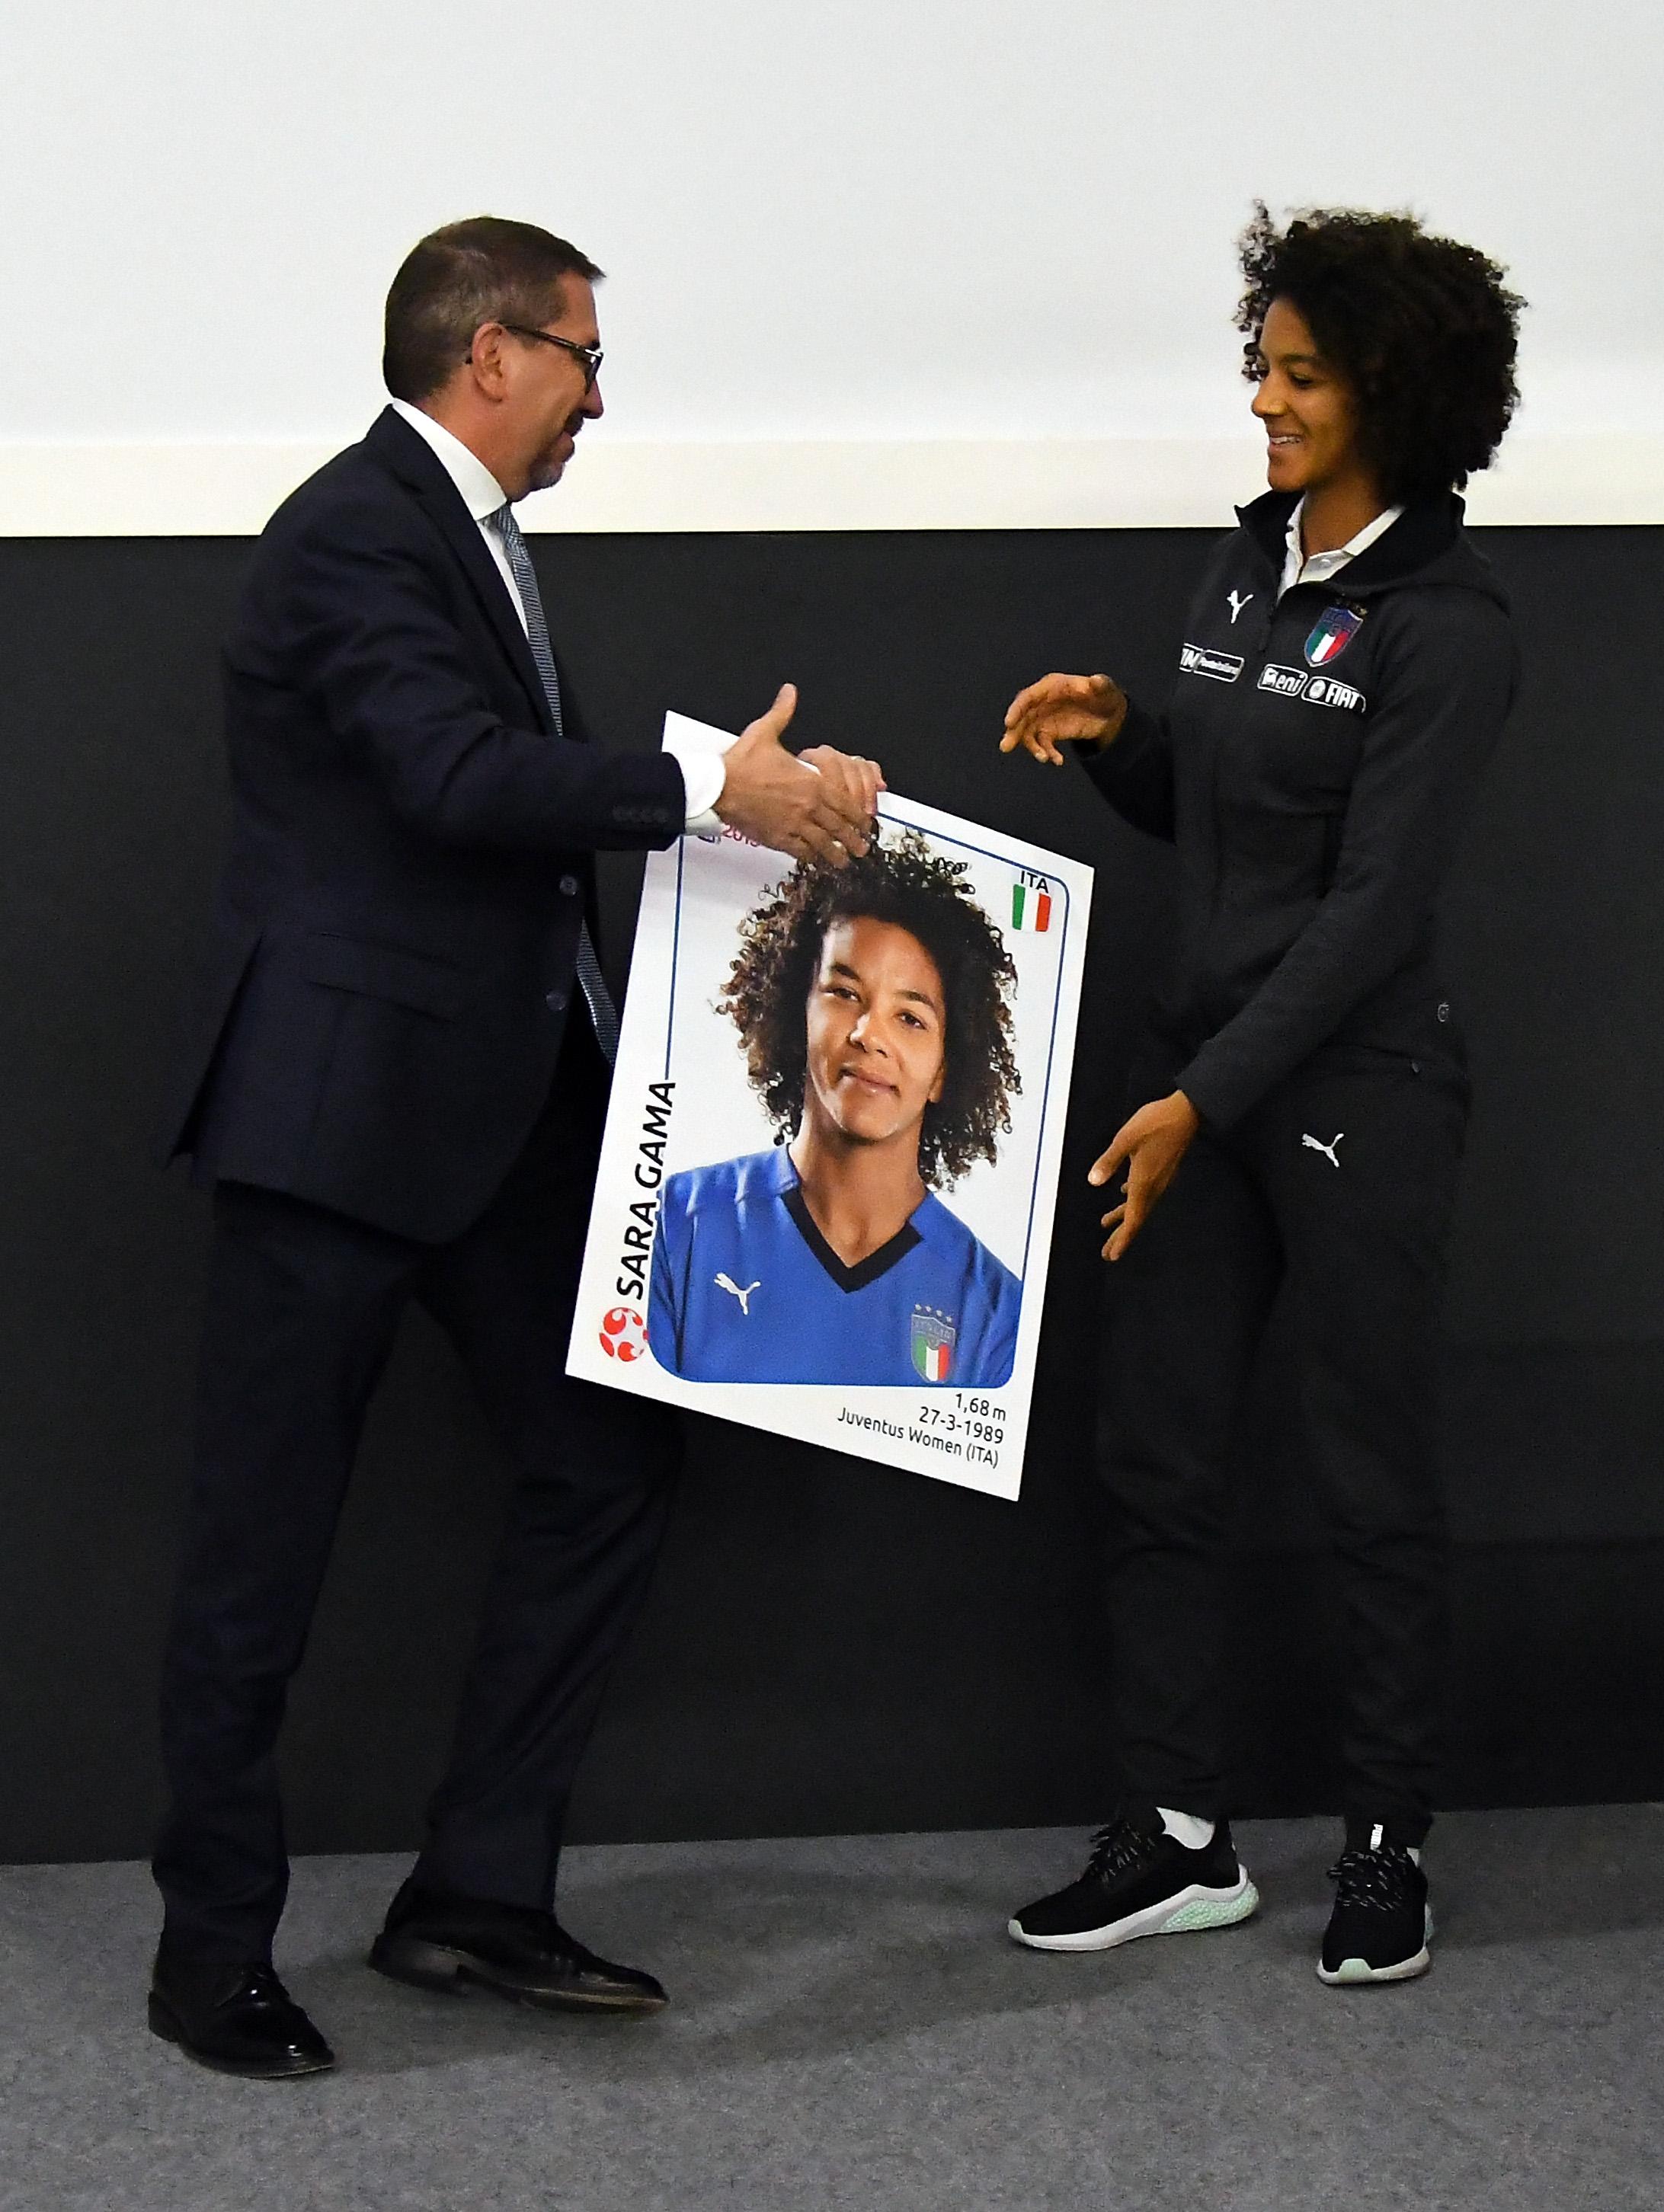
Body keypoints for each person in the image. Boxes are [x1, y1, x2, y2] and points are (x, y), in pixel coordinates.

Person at [148, 216, 882, 2078]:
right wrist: (710, 784)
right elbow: (454, 778)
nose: (597, 399)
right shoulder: (353, 530)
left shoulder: (469, 537)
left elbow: (505, 806)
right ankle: (208, 1953)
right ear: (490, 353)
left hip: (496, 1121)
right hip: (333, 1127)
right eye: (582, 358)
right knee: (259, 1552)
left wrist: (750, 811)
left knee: (607, 1458)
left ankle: (474, 1891)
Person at [1000, 206, 1523, 1985]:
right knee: (1155, 1451)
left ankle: (1388, 1841)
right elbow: (1227, 818)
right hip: (1206, 1086)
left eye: (1301, 376)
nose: (1266, 404)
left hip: (1356, 1084)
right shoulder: (1242, 565)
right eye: (1262, 368)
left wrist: (1204, 1102)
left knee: (1370, 1470)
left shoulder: (1447, 625)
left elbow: (1367, 912)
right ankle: (1179, 1833)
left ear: (1392, 389)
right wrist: (1121, 741)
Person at [648, 830, 1022, 1388]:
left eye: (911, 1018)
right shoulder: (679, 1221)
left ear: (945, 1070)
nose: (870, 1035)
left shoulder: (994, 1313)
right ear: (795, 1011)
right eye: (845, 994)